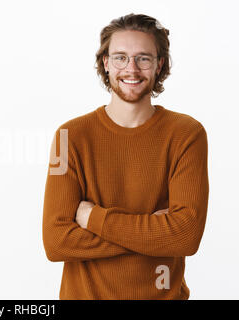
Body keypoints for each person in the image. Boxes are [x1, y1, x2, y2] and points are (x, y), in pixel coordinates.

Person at [42, 13, 209, 300]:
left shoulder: (187, 134)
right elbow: (56, 243)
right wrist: (154, 233)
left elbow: (185, 236)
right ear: (105, 63)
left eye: (143, 58)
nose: (131, 69)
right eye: (120, 57)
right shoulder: (67, 136)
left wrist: (92, 217)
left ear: (159, 65)